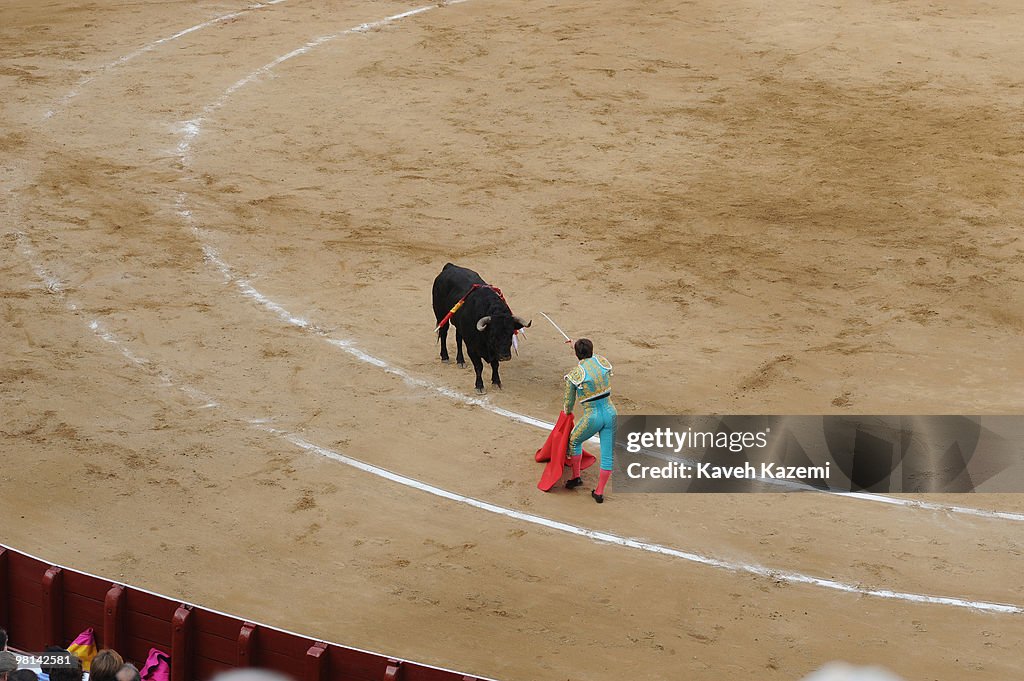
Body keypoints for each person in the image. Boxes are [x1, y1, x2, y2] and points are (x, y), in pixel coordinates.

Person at [562, 338, 617, 503]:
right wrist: (577, 347)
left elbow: (568, 402)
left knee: (574, 441)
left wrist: (567, 413)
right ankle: (599, 492)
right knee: (607, 456)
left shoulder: (574, 375)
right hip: (611, 412)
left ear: (577, 354)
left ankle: (576, 477)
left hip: (592, 417)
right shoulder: (602, 362)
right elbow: (590, 363)